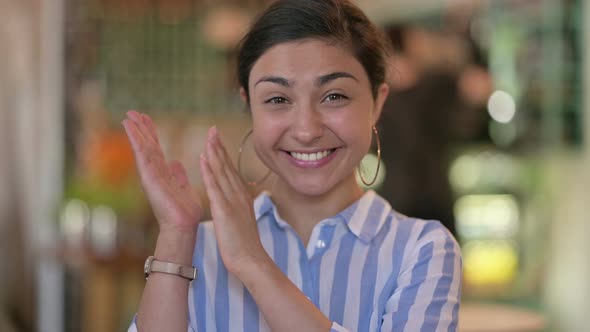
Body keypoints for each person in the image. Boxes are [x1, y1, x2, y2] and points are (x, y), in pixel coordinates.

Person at [124, 1, 461, 331]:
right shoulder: (200, 246)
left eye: (334, 96)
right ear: (249, 106)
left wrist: (252, 263)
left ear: (377, 102)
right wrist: (177, 233)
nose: (306, 130)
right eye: (277, 100)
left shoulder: (422, 250)